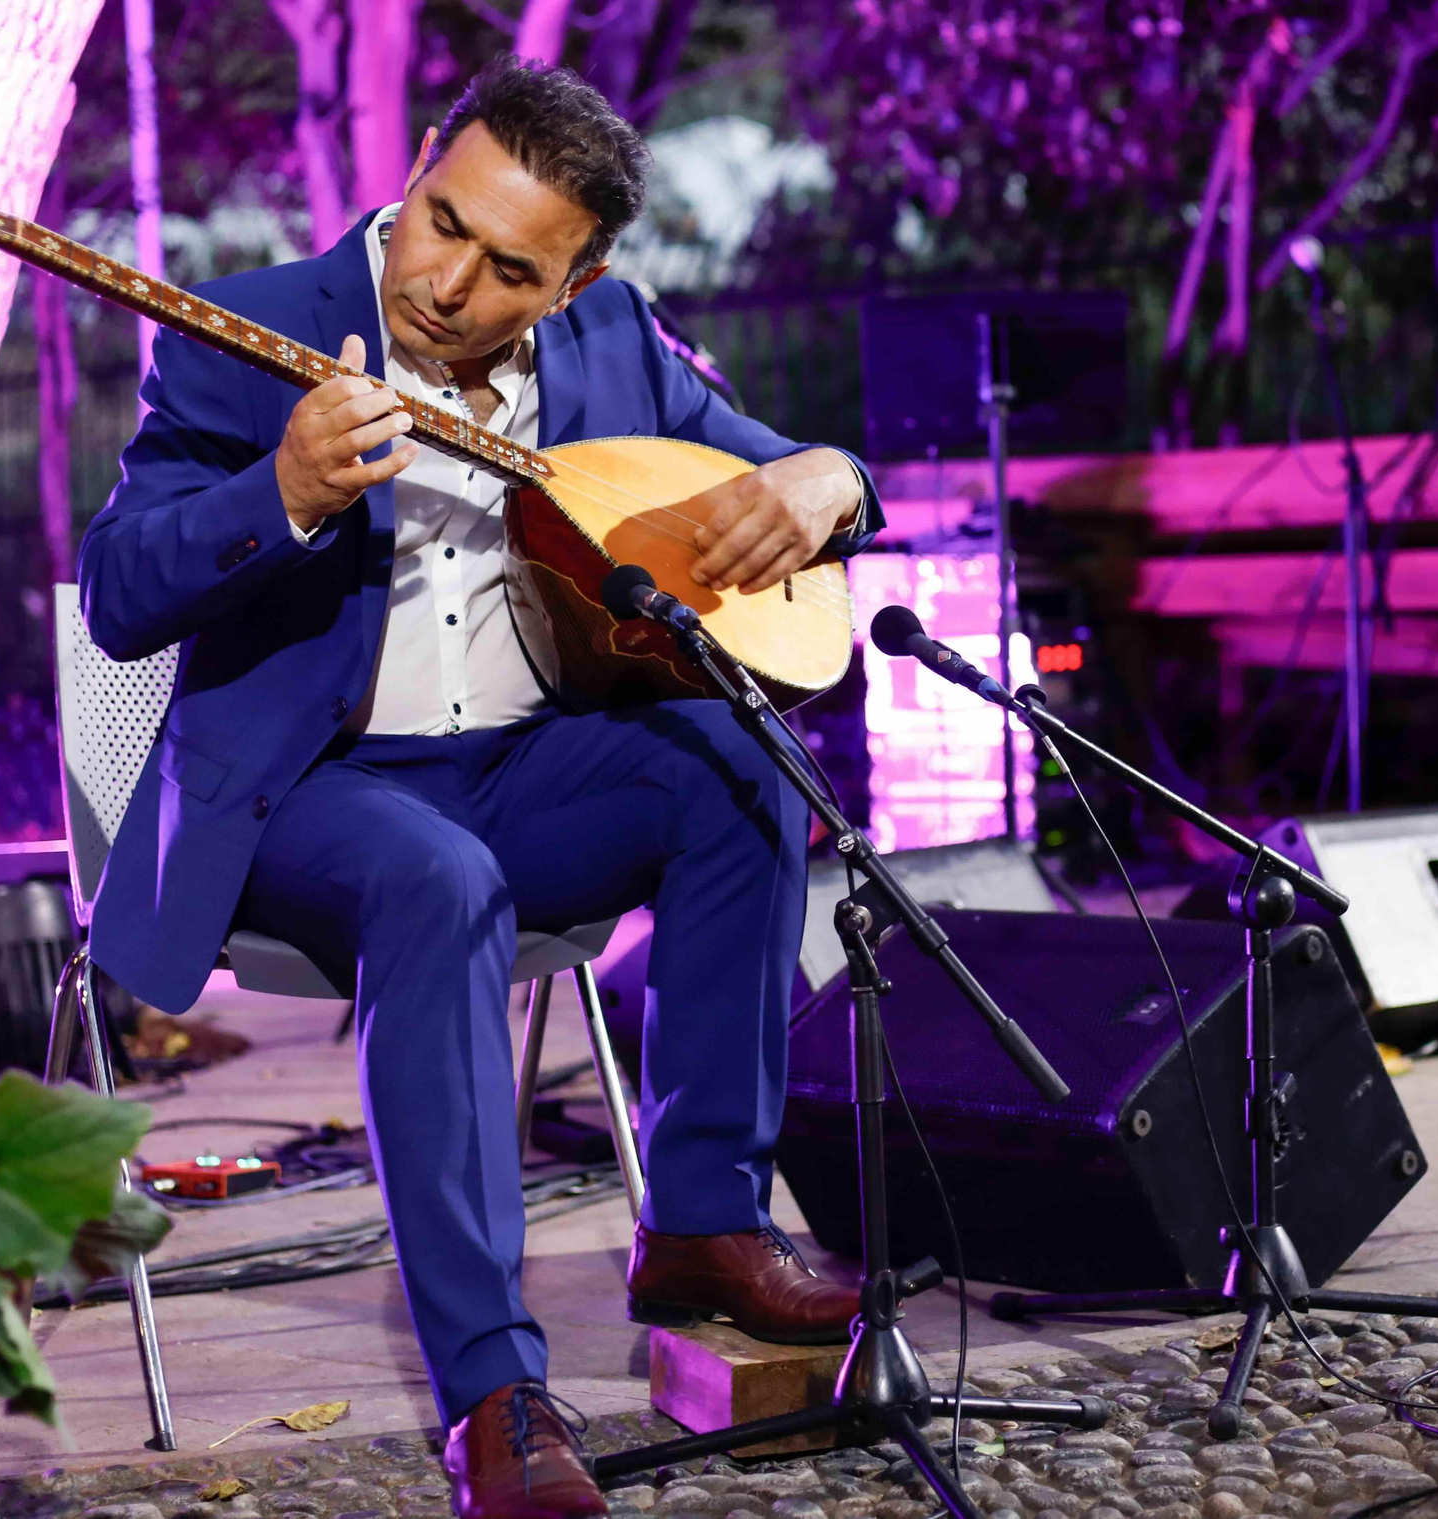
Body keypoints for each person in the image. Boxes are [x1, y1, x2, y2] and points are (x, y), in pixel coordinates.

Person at [79, 55, 884, 1519]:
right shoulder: (246, 329)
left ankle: (703, 1221)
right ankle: (495, 1389)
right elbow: (118, 595)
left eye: (509, 268)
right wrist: (285, 496)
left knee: (743, 772)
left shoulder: (615, 348)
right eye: (440, 221)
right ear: (420, 170)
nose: (449, 282)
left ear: (572, 286)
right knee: (435, 879)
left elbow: (783, 468)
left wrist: (834, 479)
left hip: (519, 768)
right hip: (306, 797)